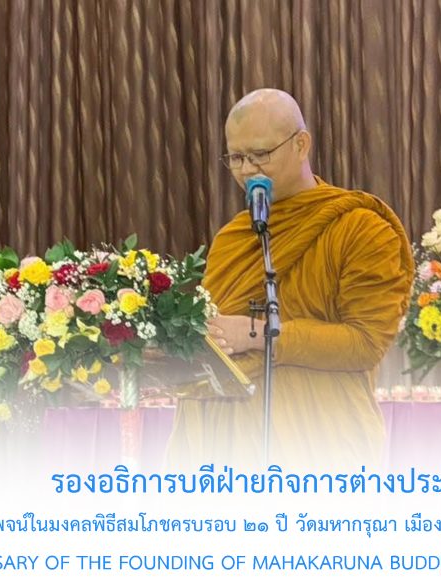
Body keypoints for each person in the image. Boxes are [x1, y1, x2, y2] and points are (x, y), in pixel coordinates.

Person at [167, 89, 413, 469]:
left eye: (260, 154)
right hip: (223, 445)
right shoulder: (233, 237)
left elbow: (365, 342)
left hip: (318, 443)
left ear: (301, 144)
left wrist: (258, 334)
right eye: (236, 158)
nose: (247, 170)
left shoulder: (360, 228)